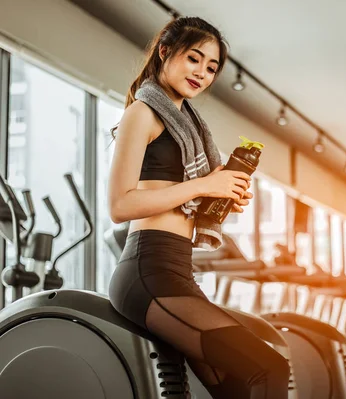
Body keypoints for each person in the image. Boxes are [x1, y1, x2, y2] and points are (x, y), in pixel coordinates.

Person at [106, 16, 290, 399]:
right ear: (164, 52)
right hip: (147, 272)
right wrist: (206, 184)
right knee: (270, 367)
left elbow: (182, 195)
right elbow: (120, 205)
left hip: (177, 271)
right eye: (194, 59)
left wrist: (220, 195)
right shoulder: (142, 113)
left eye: (212, 68)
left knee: (237, 388)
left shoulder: (187, 124)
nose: (202, 74)